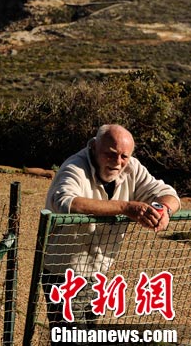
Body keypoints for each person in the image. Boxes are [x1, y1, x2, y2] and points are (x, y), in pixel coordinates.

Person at [42, 124, 180, 327]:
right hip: (64, 273)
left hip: (99, 271)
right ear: (94, 147)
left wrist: (164, 210)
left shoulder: (133, 167)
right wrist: (124, 207)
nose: (118, 162)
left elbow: (168, 193)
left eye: (124, 156)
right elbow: (66, 202)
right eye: (110, 154)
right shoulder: (75, 167)